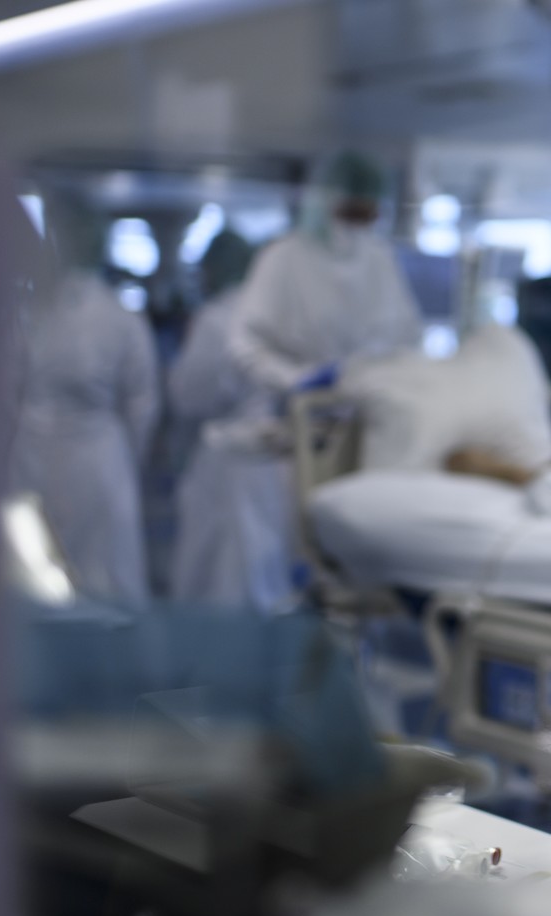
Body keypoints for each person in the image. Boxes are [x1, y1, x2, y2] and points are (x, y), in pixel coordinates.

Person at [11, 201, 159, 603]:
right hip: (98, 459)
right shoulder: (123, 317)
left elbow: (12, 386)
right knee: (101, 579)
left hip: (36, 456)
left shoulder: (31, 310)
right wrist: (128, 459)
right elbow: (142, 408)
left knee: (37, 576)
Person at [169, 230, 296, 611]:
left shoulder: (217, 318)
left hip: (226, 458)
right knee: (264, 573)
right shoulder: (277, 315)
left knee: (217, 578)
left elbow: (187, 395)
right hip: (271, 460)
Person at [230, 151, 421, 396]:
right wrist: (294, 379)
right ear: (325, 203)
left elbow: (408, 337)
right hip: (293, 411)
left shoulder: (380, 259)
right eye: (351, 213)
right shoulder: (283, 257)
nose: (357, 226)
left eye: (367, 216)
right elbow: (245, 344)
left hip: (368, 410)